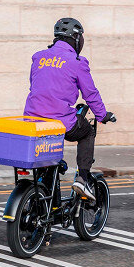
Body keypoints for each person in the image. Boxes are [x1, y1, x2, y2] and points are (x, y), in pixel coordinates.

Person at [24, 18, 115, 200]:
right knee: (87, 132)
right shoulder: (77, 61)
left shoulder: (39, 57)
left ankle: (48, 198)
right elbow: (90, 94)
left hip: (33, 121)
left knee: (49, 156)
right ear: (76, 37)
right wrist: (102, 115)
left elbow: (34, 86)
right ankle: (83, 178)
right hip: (60, 122)